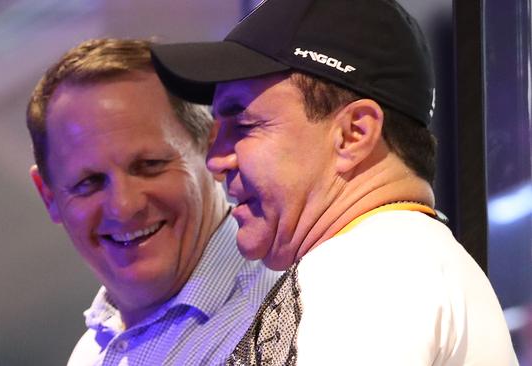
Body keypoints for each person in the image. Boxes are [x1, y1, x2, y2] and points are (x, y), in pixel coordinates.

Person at [149, 0, 519, 364]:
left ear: (353, 134)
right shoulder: (401, 256)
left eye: (244, 126)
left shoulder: (371, 268)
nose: (216, 160)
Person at [25, 38, 281, 365]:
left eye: (149, 165)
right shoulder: (91, 352)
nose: (124, 206)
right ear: (49, 196)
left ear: (212, 148)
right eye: (89, 182)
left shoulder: (287, 316)